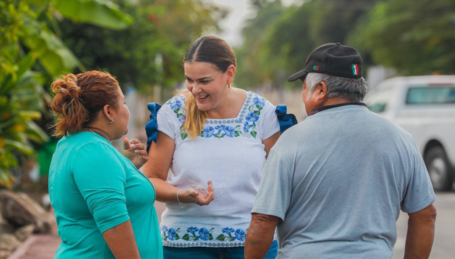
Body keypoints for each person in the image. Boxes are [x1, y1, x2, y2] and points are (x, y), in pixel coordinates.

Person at [245, 43, 437, 259]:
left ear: (321, 90)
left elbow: (263, 220)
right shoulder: (401, 138)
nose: (303, 95)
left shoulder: (291, 141)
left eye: (304, 87)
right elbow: (425, 215)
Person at [143, 36, 281, 258]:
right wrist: (181, 194)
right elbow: (150, 180)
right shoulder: (172, 113)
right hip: (183, 247)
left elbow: (280, 182)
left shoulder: (262, 113)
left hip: (252, 245)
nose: (195, 90)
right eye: (189, 80)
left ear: (229, 74)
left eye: (204, 81)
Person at [48, 71, 162, 259]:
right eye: (123, 102)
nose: (127, 109)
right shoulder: (93, 152)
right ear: (109, 111)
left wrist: (128, 167)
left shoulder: (74, 144)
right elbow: (114, 227)